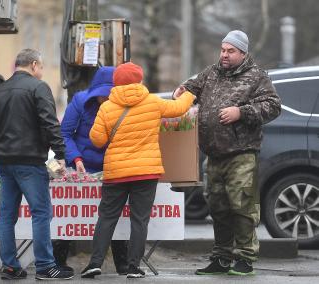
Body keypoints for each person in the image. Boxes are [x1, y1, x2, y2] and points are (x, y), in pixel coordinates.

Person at [174, 30, 281, 276]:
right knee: (217, 207)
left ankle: (245, 258)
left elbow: (273, 106)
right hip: (213, 154)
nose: (224, 54)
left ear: (243, 53)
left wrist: (241, 112)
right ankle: (221, 258)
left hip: (241, 153)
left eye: (230, 51)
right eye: (223, 49)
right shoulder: (211, 73)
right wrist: (182, 91)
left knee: (242, 206)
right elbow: (192, 87)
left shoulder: (257, 77)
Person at [81, 62, 195, 279]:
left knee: (106, 218)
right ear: (139, 80)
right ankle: (133, 267)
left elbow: (97, 140)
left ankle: (95, 263)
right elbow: (180, 109)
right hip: (146, 171)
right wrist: (188, 93)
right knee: (139, 219)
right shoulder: (153, 102)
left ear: (116, 82)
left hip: (116, 172)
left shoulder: (106, 107)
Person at [0, 49, 74, 281]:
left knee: (6, 215)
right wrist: (61, 153)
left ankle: (11, 266)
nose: (41, 72)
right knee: (41, 212)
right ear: (34, 65)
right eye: (41, 68)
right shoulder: (38, 87)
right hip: (30, 160)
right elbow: (49, 123)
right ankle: (45, 266)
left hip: (4, 162)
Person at [56, 66, 128, 275]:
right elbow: (65, 134)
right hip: (80, 166)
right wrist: (75, 158)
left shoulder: (123, 105)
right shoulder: (79, 101)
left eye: (109, 94)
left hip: (112, 167)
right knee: (69, 212)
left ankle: (122, 262)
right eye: (101, 95)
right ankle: (59, 259)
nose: (104, 99)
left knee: (116, 213)